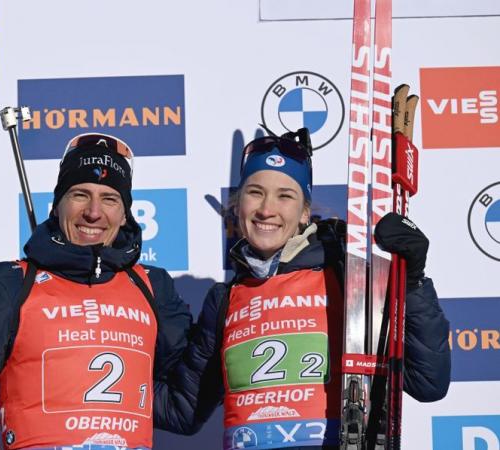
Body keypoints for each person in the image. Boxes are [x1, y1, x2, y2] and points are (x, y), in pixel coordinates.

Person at [154, 129, 451, 449]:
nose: (266, 209)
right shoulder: (225, 300)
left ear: (304, 211)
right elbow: (182, 409)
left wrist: (413, 281)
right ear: (238, 204)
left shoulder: (345, 278)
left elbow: (427, 381)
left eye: (285, 195)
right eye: (255, 192)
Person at [0, 133, 192, 449]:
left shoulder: (150, 286)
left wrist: (223, 320)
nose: (94, 212)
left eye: (109, 199)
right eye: (80, 194)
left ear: (124, 214)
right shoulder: (12, 283)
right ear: (57, 204)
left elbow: (182, 406)